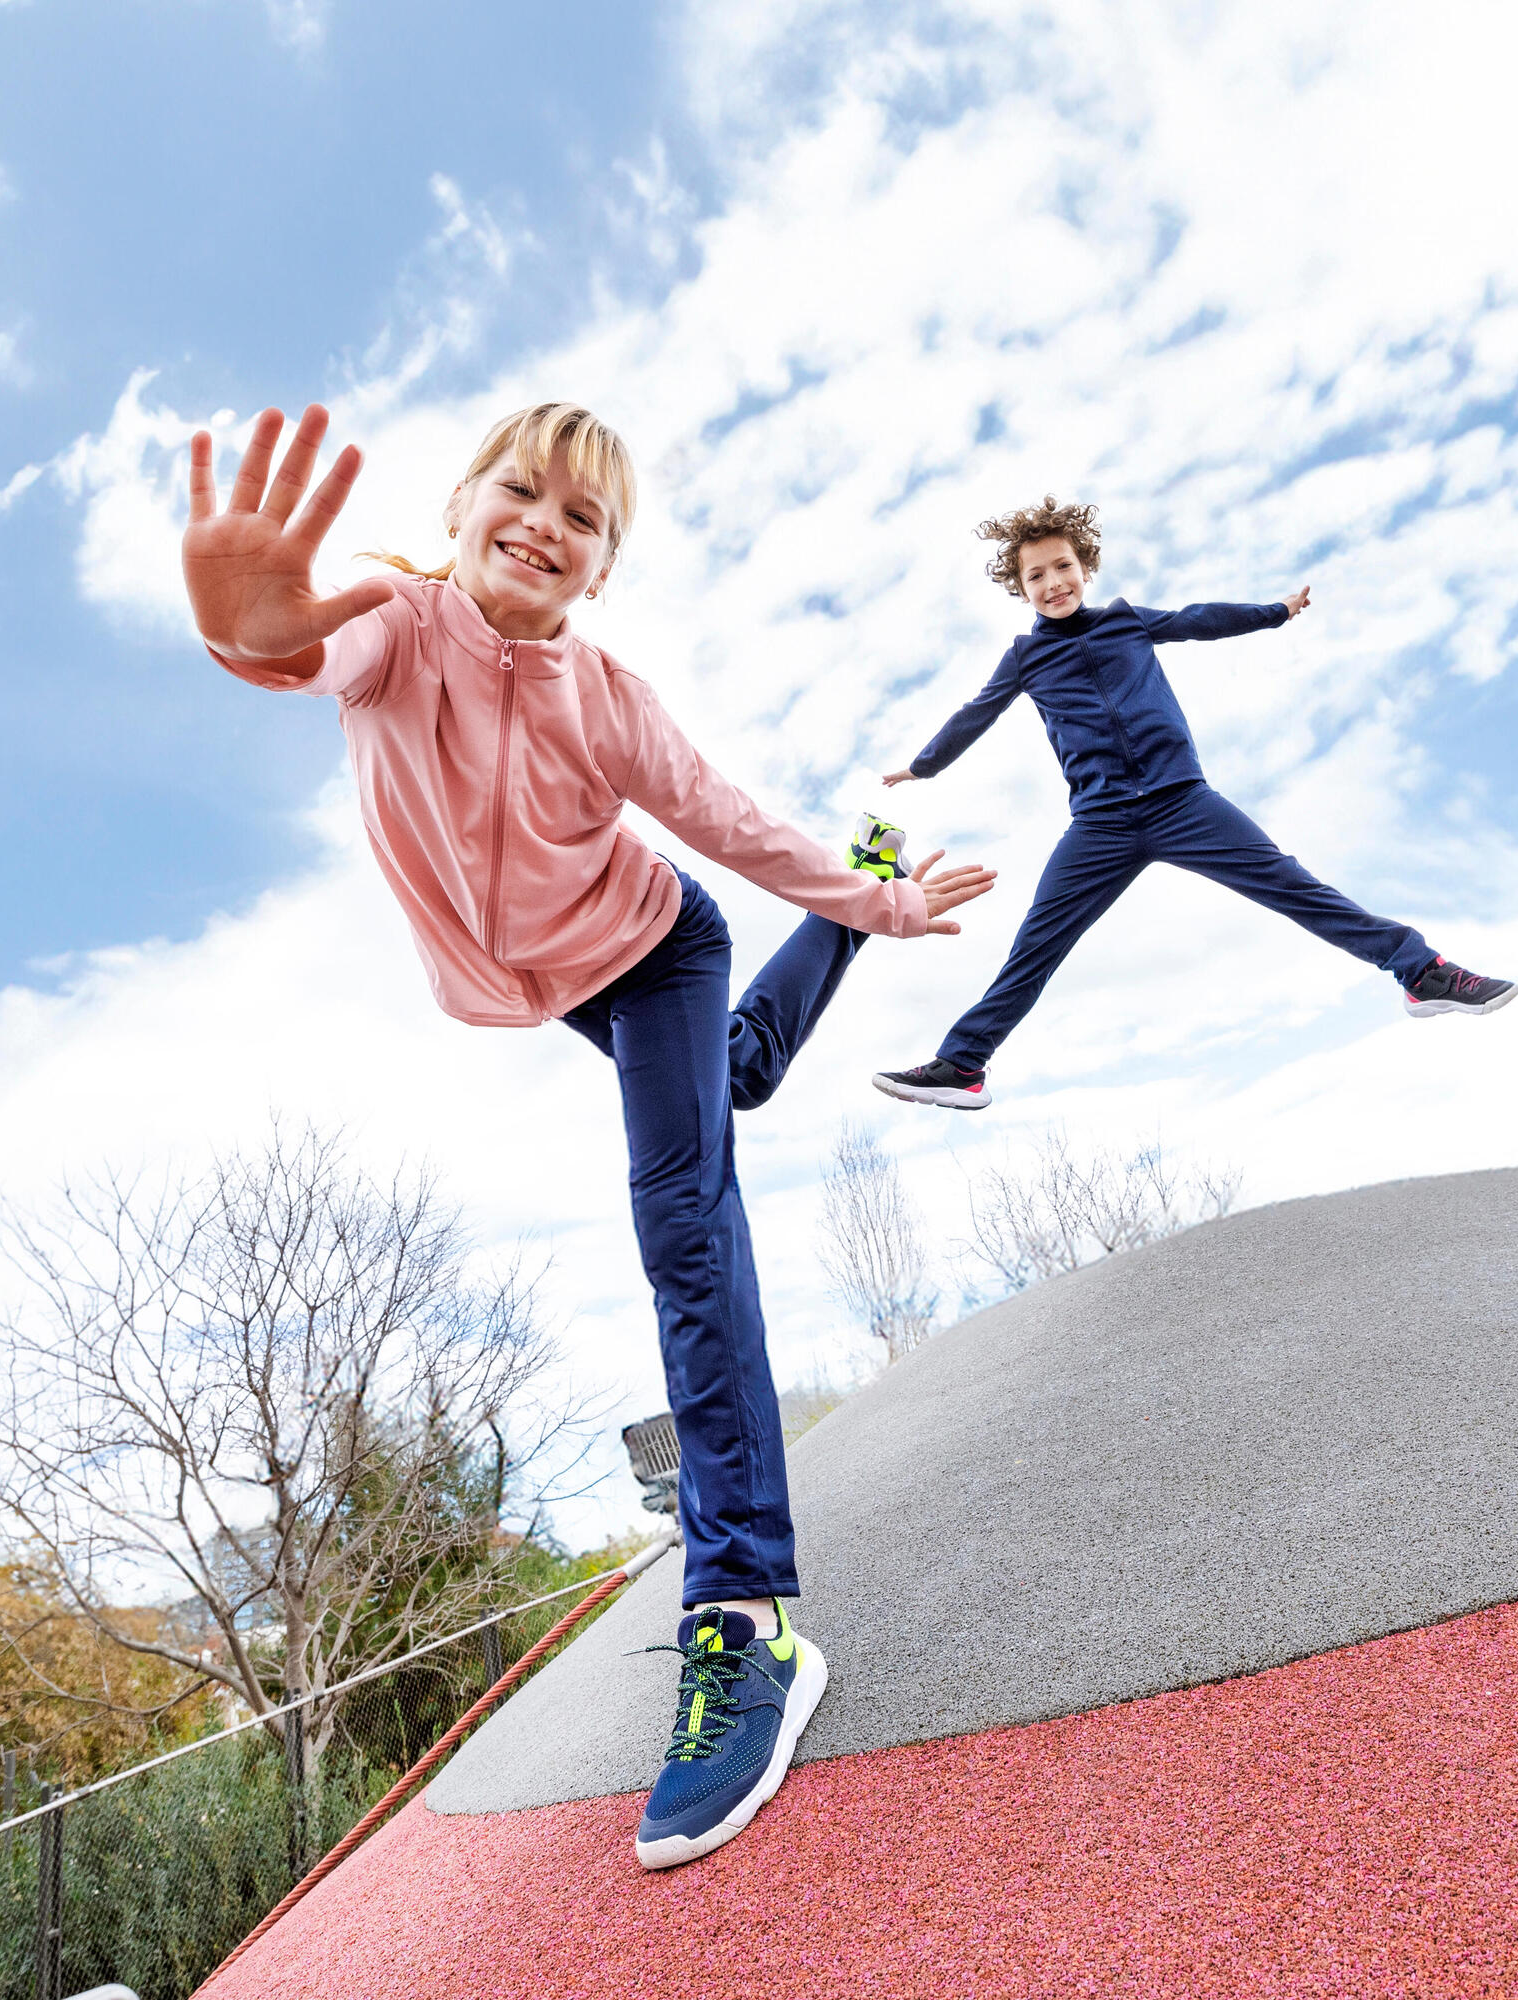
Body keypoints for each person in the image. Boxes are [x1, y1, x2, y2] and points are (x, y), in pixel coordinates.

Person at [181, 402, 994, 1869]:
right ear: (463, 504)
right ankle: (845, 910)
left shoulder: (604, 692)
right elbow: (302, 648)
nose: (547, 526)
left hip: (657, 944)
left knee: (685, 1211)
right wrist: (253, 627)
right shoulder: (397, 620)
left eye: (586, 520)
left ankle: (743, 1624)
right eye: (523, 491)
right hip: (548, 981)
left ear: (603, 569)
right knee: (734, 1085)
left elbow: (728, 821)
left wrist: (886, 898)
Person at [871, 497, 1515, 1110]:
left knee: (1294, 885)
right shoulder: (1025, 656)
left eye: (1063, 566)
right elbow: (974, 714)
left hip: (1184, 802)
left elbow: (1198, 619)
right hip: (1101, 823)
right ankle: (963, 1065)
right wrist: (922, 767)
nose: (1053, 582)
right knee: (1035, 945)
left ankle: (1420, 972)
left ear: (1085, 567)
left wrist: (1275, 612)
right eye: (1035, 575)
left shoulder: (1126, 619)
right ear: (1021, 588)